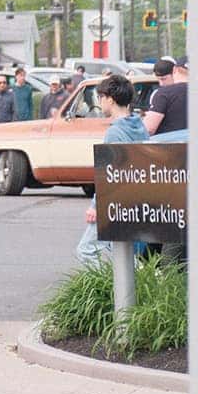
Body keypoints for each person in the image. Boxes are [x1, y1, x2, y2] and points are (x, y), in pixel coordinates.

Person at [76, 74, 148, 264]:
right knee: (124, 250)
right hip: (136, 199)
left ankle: (112, 288)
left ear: (110, 98)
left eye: (100, 97)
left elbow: (109, 174)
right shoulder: (139, 125)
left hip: (116, 202)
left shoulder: (115, 132)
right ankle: (136, 285)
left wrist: (95, 206)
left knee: (87, 250)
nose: (99, 102)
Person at [144, 56, 187, 135]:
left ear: (174, 70)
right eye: (158, 79)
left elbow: (148, 129)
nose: (161, 84)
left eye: (164, 79)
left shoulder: (163, 93)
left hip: (169, 145)